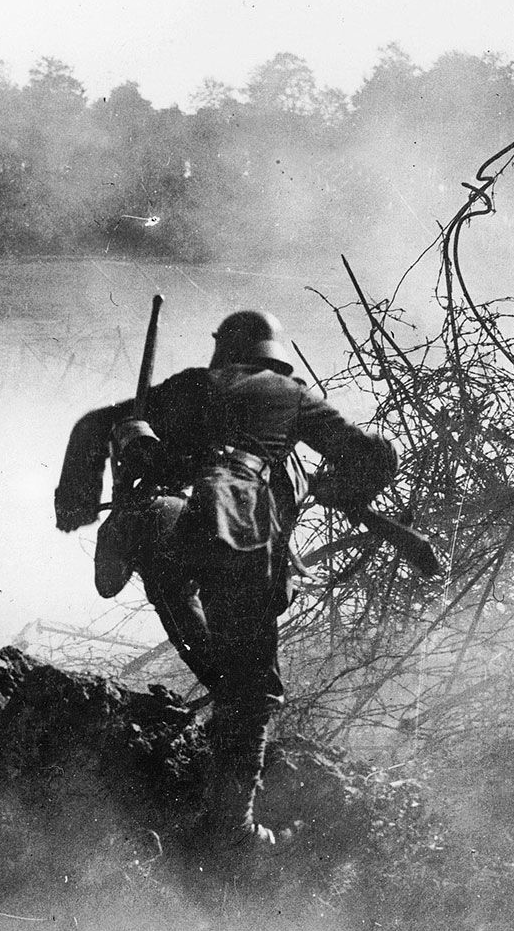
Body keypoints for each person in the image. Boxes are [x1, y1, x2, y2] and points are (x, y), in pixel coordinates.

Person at [55, 309, 396, 848]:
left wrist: (76, 498)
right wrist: (344, 489)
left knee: (193, 617)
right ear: (276, 355)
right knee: (256, 687)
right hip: (235, 528)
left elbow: (94, 424)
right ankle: (232, 827)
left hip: (173, 522)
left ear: (223, 350)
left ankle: (225, 709)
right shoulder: (289, 394)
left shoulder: (187, 387)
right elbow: (371, 454)